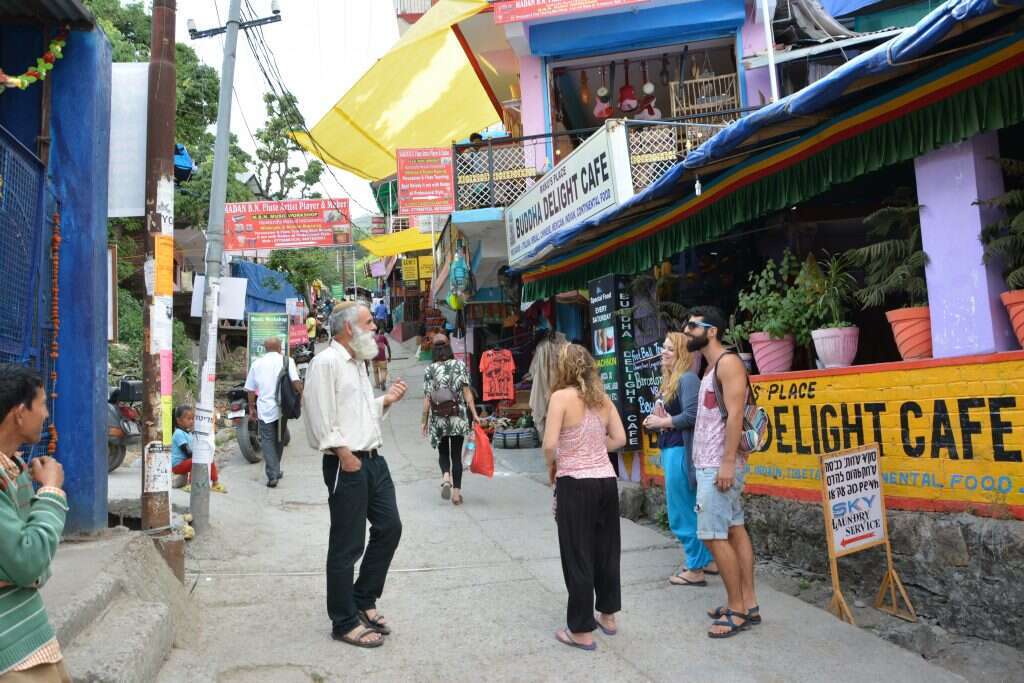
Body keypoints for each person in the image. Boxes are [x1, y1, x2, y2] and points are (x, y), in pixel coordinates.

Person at [303, 302, 408, 649]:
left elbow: (358, 414)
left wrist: (386, 401)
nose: (375, 326)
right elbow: (320, 418)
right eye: (368, 322)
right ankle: (344, 620)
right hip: (347, 462)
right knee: (347, 545)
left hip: (373, 460)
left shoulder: (359, 363)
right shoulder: (326, 362)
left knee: (390, 527)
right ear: (349, 328)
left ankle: (363, 598)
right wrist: (345, 456)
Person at [543, 344, 626, 651]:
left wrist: (552, 465)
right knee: (606, 550)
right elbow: (619, 438)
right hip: (605, 481)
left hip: (575, 483)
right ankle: (607, 615)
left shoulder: (560, 398)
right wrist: (593, 445)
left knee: (578, 554)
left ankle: (580, 630)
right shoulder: (602, 399)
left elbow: (550, 443)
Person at [683, 306, 760, 639]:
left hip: (719, 464)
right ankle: (749, 603)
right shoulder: (711, 367)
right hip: (713, 463)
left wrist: (727, 462)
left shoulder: (728, 364)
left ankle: (737, 609)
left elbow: (734, 416)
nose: (686, 330)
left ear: (711, 330)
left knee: (712, 535)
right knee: (734, 530)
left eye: (691, 325)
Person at [0, 364, 70, 682]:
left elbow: (35, 571)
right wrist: (52, 492)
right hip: (11, 649)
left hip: (27, 629)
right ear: (18, 413)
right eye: (41, 404)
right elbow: (29, 563)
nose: (45, 414)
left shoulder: (13, 468)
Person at [642, 332, 715, 585]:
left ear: (683, 354)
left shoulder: (687, 379)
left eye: (670, 349)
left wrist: (662, 421)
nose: (664, 352)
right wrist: (658, 418)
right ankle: (707, 559)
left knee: (681, 511)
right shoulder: (673, 380)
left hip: (680, 452)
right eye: (664, 347)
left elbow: (693, 415)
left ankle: (695, 569)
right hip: (671, 449)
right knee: (688, 507)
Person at [421, 335, 479, 506]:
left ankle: (446, 476)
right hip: (458, 416)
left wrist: (423, 421)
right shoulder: (460, 365)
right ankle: (456, 495)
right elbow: (467, 393)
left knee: (443, 453)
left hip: (439, 418)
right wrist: (474, 413)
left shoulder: (429, 370)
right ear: (449, 347)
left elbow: (427, 399)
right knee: (456, 455)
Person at [244, 337, 302, 488]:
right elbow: (296, 383)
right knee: (280, 438)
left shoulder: (257, 364)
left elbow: (250, 389)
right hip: (283, 408)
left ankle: (273, 473)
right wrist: (300, 398)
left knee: (267, 441)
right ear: (279, 347)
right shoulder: (287, 361)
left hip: (265, 409)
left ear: (265, 348)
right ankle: (275, 470)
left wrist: (251, 407)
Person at [171, 405, 227, 494]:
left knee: (209, 458)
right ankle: (191, 484)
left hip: (186, 462)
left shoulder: (189, 433)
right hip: (177, 465)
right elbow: (187, 452)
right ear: (179, 421)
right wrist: (201, 456)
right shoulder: (178, 433)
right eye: (188, 419)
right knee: (197, 460)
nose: (191, 421)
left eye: (192, 419)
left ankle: (215, 483)